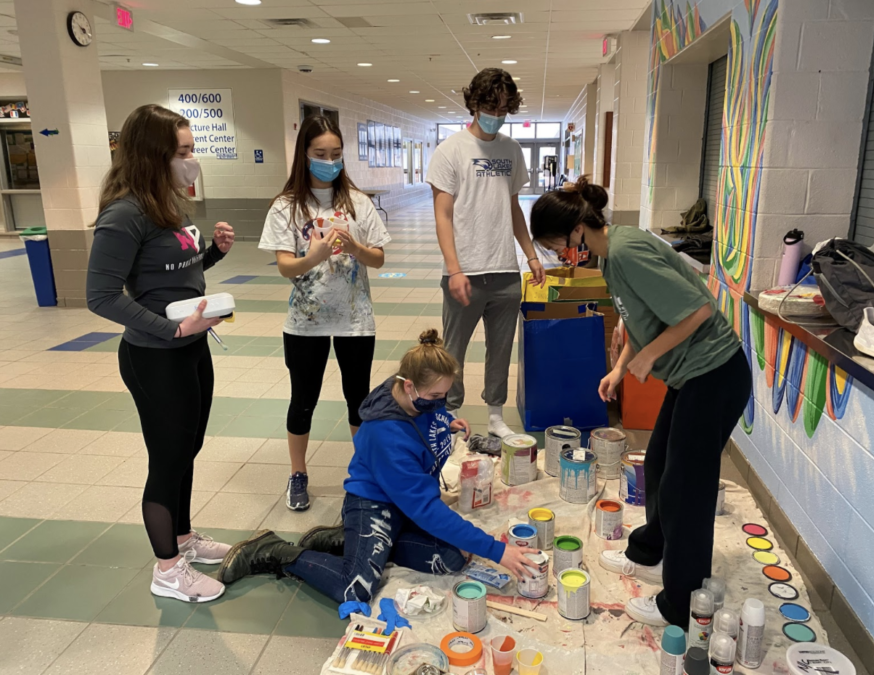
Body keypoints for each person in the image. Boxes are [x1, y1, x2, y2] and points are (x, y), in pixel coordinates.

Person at [529, 177, 751, 628]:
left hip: (714, 374)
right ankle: (653, 551)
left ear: (576, 229)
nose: (559, 256)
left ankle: (683, 605)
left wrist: (648, 356)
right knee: (657, 466)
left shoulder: (627, 252)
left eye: (557, 245)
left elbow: (698, 311)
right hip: (691, 376)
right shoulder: (611, 259)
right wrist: (621, 365)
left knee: (686, 489)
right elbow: (642, 319)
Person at [215, 330, 541, 607]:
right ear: (409, 385)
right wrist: (497, 551)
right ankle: (275, 551)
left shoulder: (408, 393)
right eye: (435, 397)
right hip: (373, 504)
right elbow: (426, 508)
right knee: (355, 588)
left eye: (444, 397)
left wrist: (444, 421)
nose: (439, 403)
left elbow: (426, 418)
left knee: (452, 558)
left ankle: (344, 542)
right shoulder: (386, 436)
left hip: (402, 504)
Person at [86, 104, 236, 603]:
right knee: (168, 458)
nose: (191, 160)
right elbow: (101, 296)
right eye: (183, 151)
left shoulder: (165, 202)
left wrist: (212, 252)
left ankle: (183, 537)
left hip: (191, 347)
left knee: (187, 449)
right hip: (155, 356)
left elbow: (175, 272)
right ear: (155, 156)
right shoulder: (124, 214)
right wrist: (171, 333)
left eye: (192, 149)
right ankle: (167, 569)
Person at [259, 115, 390, 512]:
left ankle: (363, 472)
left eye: (336, 154)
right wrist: (312, 256)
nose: (329, 161)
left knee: (357, 399)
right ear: (304, 154)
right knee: (303, 399)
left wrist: (355, 250)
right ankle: (298, 473)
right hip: (305, 322)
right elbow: (285, 266)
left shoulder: (358, 202)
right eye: (320, 154)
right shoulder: (287, 206)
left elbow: (379, 258)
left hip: (355, 320)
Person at [427, 68, 546, 438]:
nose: (498, 114)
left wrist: (530, 255)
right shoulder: (450, 151)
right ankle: (450, 415)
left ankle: (495, 416)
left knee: (501, 349)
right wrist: (454, 268)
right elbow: (442, 214)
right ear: (474, 105)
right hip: (464, 272)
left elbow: (513, 208)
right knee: (454, 353)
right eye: (491, 106)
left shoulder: (511, 150)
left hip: (505, 270)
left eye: (505, 108)